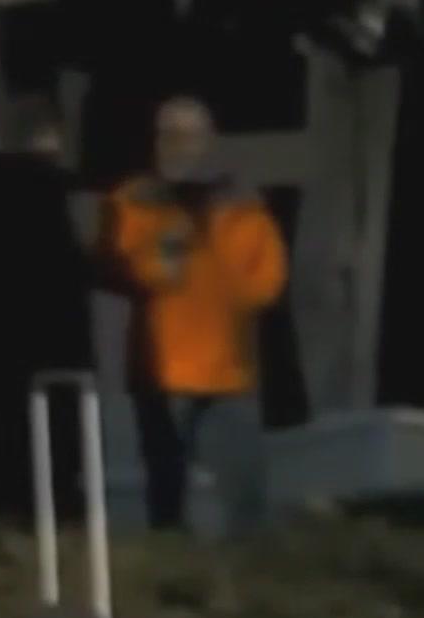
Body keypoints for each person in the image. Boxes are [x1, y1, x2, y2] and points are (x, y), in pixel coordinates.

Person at [102, 96, 286, 534]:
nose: (178, 145)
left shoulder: (244, 203)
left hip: (231, 369)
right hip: (162, 367)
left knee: (245, 491)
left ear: (210, 141)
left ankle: (248, 566)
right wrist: (160, 267)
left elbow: (269, 275)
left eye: (190, 135)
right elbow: (118, 264)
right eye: (168, 135)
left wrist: (234, 299)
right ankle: (171, 565)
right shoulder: (133, 200)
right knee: (167, 489)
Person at [0, 93, 93, 523]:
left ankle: (8, 510)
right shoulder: (53, 190)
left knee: (8, 429)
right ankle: (48, 515)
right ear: (48, 136)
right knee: (54, 439)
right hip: (52, 337)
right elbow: (70, 267)